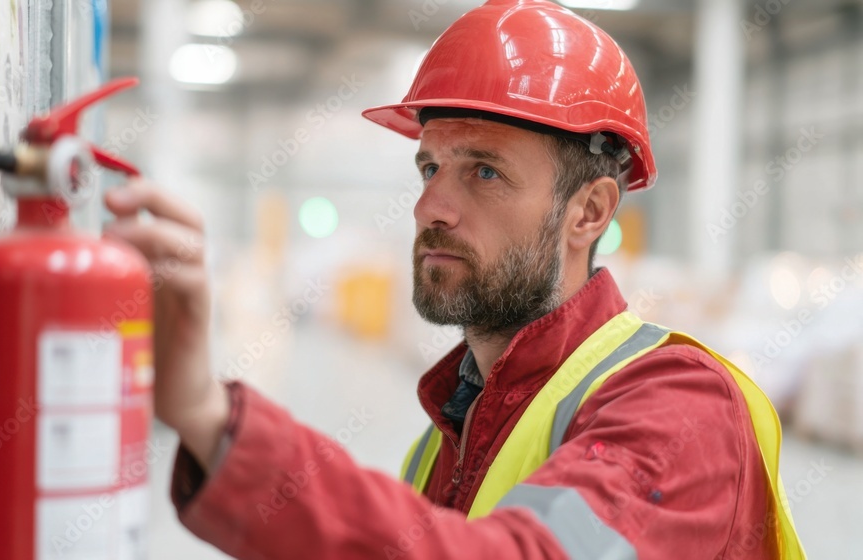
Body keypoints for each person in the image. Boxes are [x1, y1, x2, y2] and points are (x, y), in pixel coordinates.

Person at [104, 1, 806, 558]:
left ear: (589, 211)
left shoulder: (681, 406)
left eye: (485, 172)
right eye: (430, 167)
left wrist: (207, 413)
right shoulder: (448, 437)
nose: (430, 207)